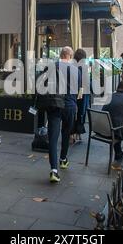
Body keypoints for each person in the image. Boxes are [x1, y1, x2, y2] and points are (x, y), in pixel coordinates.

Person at [45, 46, 81, 183]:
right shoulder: (76, 70)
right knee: (66, 133)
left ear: (61, 55)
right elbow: (78, 90)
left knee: (53, 138)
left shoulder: (51, 66)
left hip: (54, 105)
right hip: (70, 106)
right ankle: (63, 159)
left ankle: (54, 170)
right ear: (70, 56)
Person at [71, 48, 90, 143]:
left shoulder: (72, 65)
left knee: (74, 112)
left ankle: (72, 134)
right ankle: (78, 133)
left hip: (73, 91)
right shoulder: (84, 66)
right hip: (83, 92)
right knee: (81, 112)